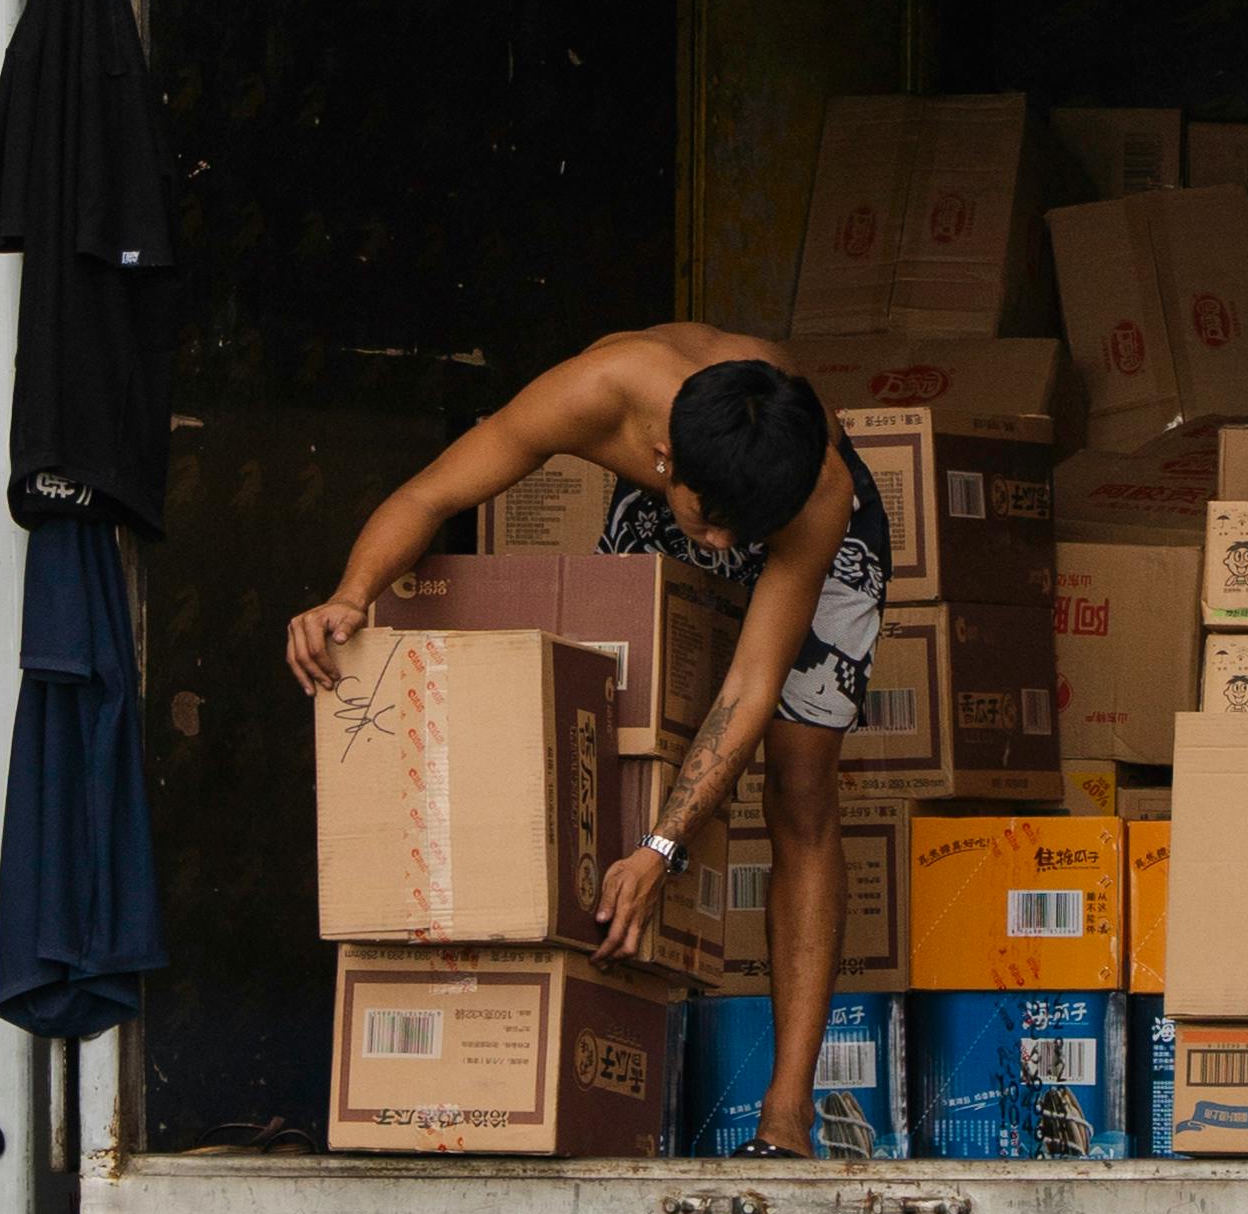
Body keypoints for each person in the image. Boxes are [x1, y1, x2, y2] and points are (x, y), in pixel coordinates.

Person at [286, 324, 890, 1159]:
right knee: (607, 742)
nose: (722, 552)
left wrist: (661, 848)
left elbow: (749, 688)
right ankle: (597, 1075)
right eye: (712, 528)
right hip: (685, 491)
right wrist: (352, 596)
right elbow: (431, 496)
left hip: (797, 524)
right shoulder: (600, 391)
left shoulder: (814, 489)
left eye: (734, 536)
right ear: (663, 455)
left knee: (798, 785)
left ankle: (786, 1112)